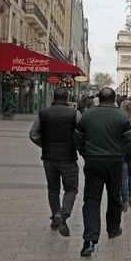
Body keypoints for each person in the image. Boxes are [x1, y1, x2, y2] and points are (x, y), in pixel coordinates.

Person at [74, 87, 131, 257]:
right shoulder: (121, 116)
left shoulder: (88, 115)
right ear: (114, 100)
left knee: (91, 199)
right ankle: (113, 229)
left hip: (93, 162)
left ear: (98, 98)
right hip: (114, 162)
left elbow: (77, 138)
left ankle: (89, 240)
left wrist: (85, 153)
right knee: (114, 196)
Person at [29, 87, 81, 237]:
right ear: (67, 98)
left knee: (53, 189)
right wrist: (76, 146)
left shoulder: (43, 113)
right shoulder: (74, 113)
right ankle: (63, 214)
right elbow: (83, 132)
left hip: (49, 158)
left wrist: (44, 145)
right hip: (68, 157)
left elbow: (33, 134)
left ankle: (55, 218)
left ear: (53, 96)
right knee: (71, 189)